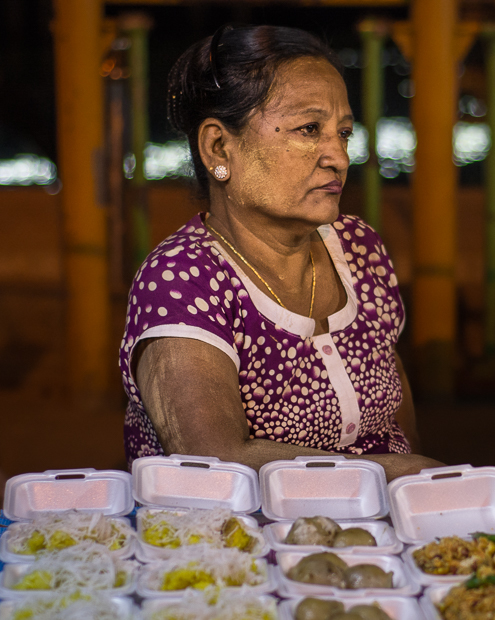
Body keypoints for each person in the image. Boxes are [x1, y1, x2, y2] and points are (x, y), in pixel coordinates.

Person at [118, 24, 444, 480]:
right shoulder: (181, 280)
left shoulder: (358, 246)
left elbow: (397, 412)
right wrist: (391, 473)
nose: (339, 157)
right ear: (218, 146)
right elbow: (215, 461)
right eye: (309, 129)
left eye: (344, 133)